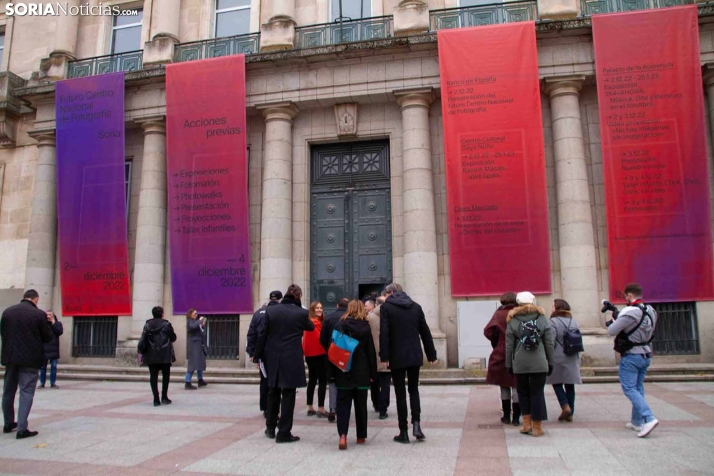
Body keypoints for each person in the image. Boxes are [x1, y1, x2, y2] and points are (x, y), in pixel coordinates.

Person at [255, 284, 314, 443]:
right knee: (288, 394)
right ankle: (284, 432)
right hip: (291, 358)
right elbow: (311, 326)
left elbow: (262, 334)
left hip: (273, 357)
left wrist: (257, 355)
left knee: (272, 392)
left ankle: (270, 428)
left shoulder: (271, 311)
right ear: (299, 296)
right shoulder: (301, 313)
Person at [380, 283, 437, 444]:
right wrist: (431, 355)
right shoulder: (416, 307)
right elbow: (425, 332)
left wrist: (384, 357)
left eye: (386, 294)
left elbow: (384, 334)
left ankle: (403, 431)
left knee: (400, 394)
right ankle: (417, 425)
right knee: (414, 390)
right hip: (414, 355)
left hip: (396, 356)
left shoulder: (387, 308)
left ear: (391, 292)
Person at [606, 282, 659, 438]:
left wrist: (614, 320)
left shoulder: (630, 312)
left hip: (631, 355)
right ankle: (637, 422)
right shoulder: (651, 310)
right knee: (638, 387)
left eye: (625, 297)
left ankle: (648, 418)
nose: (625, 300)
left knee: (629, 388)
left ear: (629, 295)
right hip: (646, 353)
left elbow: (611, 331)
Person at [1, 289, 54, 439]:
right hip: (29, 359)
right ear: (36, 300)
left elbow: (3, 333)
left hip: (10, 358)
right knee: (26, 392)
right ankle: (22, 429)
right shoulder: (38, 315)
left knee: (8, 390)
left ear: (24, 298)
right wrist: (49, 324)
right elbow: (47, 337)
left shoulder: (7, 312)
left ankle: (8, 422)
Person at [329, 300, 378, 450]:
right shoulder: (365, 327)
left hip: (343, 371)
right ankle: (360, 436)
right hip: (362, 372)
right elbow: (371, 353)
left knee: (343, 405)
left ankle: (342, 435)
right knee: (361, 405)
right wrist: (373, 373)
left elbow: (332, 349)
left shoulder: (340, 325)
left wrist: (331, 373)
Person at [505, 292, 554, 437]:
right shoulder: (542, 318)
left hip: (520, 363)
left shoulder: (512, 320)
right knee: (537, 393)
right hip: (539, 362)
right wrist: (550, 361)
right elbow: (549, 343)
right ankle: (537, 427)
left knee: (523, 392)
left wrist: (509, 364)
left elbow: (509, 346)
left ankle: (526, 424)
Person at [484, 292, 520, 426]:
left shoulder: (498, 314)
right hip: (518, 352)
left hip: (501, 351)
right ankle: (516, 417)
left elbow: (487, 331)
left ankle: (506, 416)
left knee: (504, 384)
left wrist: (497, 340)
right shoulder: (519, 313)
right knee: (517, 384)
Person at [246, 291, 282, 417]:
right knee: (276, 382)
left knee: (264, 381)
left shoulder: (258, 314)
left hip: (263, 354)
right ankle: (274, 409)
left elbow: (251, 334)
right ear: (280, 299)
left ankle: (266, 408)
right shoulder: (281, 312)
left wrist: (253, 353)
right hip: (278, 353)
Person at [546, 299, 582, 422]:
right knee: (569, 384)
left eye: (552, 306)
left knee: (556, 381)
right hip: (572, 355)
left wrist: (547, 356)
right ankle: (571, 411)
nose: (551, 308)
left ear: (557, 308)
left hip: (558, 355)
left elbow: (550, 341)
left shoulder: (553, 322)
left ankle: (564, 406)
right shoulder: (573, 321)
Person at [138, 306, 177, 407]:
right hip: (165, 354)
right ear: (162, 314)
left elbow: (143, 339)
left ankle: (156, 399)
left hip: (151, 354)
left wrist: (141, 351)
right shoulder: (167, 324)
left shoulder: (147, 325)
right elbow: (173, 337)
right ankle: (164, 397)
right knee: (166, 376)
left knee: (153, 376)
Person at [320, 297, 349, 422]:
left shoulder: (329, 317)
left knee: (332, 382)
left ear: (337, 305)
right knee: (344, 381)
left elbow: (322, 337)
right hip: (346, 354)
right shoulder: (350, 318)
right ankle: (343, 408)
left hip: (331, 353)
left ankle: (333, 408)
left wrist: (327, 348)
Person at [303, 301, 327, 417]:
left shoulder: (308, 322)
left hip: (309, 355)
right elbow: (320, 339)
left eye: (321, 307)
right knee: (322, 381)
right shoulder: (315, 323)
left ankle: (310, 406)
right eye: (317, 308)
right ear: (312, 309)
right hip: (319, 354)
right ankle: (321, 408)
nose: (319, 310)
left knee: (312, 381)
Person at [368, 295, 391, 419]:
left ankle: (376, 404)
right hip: (387, 355)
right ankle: (383, 408)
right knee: (386, 382)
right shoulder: (392, 316)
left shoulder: (370, 317)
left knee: (374, 382)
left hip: (373, 355)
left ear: (376, 304)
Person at [39, 312, 64, 389]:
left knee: (53, 366)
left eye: (50, 315)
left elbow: (59, 332)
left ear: (53, 316)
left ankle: (52, 382)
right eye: (47, 315)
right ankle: (42, 383)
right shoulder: (43, 324)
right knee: (43, 367)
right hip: (45, 348)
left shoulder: (57, 324)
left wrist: (53, 323)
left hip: (53, 349)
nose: (48, 316)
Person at [185, 309, 208, 390]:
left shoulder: (196, 322)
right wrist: (199, 321)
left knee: (200, 362)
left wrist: (202, 326)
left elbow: (203, 334)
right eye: (195, 313)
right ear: (190, 314)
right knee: (192, 363)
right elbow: (193, 326)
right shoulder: (190, 322)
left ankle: (200, 379)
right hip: (193, 344)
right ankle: (187, 382)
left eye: (197, 313)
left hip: (199, 344)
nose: (196, 314)